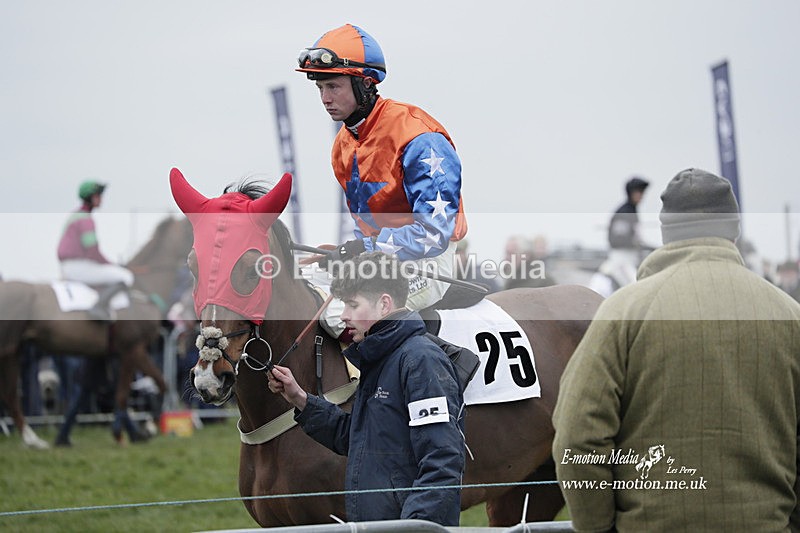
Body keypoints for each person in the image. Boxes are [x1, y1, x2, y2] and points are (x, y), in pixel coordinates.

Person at [552, 168, 800, 532]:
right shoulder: (790, 315)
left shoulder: (622, 311)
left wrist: (598, 527)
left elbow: (576, 439)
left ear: (666, 232)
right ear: (734, 230)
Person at [267, 252, 465, 525]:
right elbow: (360, 438)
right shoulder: (379, 358)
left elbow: (442, 461)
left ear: (384, 304)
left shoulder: (421, 361)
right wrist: (300, 399)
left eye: (352, 304)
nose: (344, 316)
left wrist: (413, 527)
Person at [296, 23, 467, 339]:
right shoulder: (342, 146)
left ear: (364, 84)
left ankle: (362, 389)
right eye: (320, 88)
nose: (324, 98)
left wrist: (364, 248)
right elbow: (369, 231)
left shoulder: (420, 138)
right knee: (298, 283)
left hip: (428, 262)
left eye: (333, 86)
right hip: (379, 259)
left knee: (337, 314)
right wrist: (344, 252)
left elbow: (433, 234)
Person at [57, 180, 134, 321]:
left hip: (70, 265)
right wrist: (111, 264)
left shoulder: (75, 216)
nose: (101, 199)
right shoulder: (86, 220)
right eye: (98, 196)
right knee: (125, 277)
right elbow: (93, 251)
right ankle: (98, 307)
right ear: (91, 197)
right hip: (78, 266)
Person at [590, 176, 651, 296]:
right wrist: (638, 243)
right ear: (631, 193)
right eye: (639, 192)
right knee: (635, 289)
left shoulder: (632, 211)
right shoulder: (624, 212)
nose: (641, 196)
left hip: (629, 258)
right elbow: (617, 239)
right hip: (621, 259)